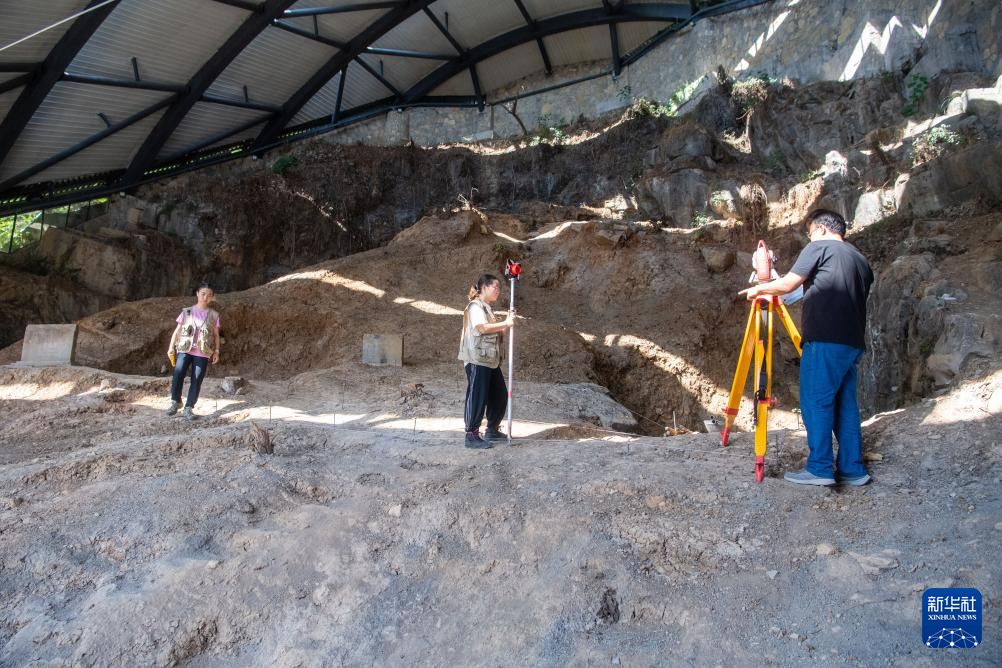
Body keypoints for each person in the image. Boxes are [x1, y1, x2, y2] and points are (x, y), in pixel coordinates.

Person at [739, 209, 874, 486]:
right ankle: (853, 469)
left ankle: (820, 469)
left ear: (822, 229)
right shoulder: (859, 260)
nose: (810, 238)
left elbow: (790, 282)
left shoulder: (820, 247)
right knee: (845, 405)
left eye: (810, 232)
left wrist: (759, 290)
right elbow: (810, 289)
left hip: (824, 339)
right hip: (852, 343)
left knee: (816, 401)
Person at [458, 274, 516, 449]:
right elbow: (481, 328)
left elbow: (495, 332)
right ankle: (471, 434)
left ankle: (492, 429)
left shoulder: (487, 309)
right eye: (495, 287)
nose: (498, 291)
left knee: (499, 394)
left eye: (499, 288)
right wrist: (506, 323)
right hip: (477, 359)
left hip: (490, 360)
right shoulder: (475, 307)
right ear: (483, 288)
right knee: (477, 396)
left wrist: (506, 323)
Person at [166, 284, 221, 421]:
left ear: (212, 297)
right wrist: (171, 347)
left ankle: (188, 407)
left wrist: (217, 351)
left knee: (197, 380)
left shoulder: (214, 315)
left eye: (209, 295)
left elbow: (216, 335)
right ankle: (175, 401)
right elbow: (177, 331)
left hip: (202, 352)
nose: (205, 297)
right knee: (178, 374)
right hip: (185, 349)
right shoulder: (187, 312)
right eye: (203, 293)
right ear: (197, 293)